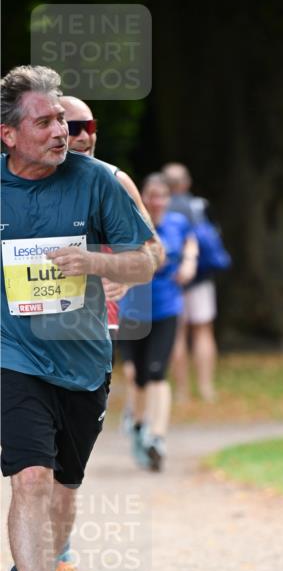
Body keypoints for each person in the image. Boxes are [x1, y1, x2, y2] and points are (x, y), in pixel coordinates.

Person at [1, 65, 154, 571]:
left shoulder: (99, 182)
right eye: (45, 121)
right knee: (30, 478)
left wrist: (93, 261)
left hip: (83, 360)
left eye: (63, 120)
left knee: (63, 488)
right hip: (12, 357)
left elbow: (147, 259)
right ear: (8, 134)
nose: (61, 131)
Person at [49, 95, 163, 571]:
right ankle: (53, 566)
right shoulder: (21, 183)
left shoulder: (112, 180)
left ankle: (54, 559)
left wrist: (110, 269)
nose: (83, 134)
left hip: (83, 335)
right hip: (21, 339)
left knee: (62, 462)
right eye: (71, 126)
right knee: (31, 463)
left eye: (89, 125)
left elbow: (152, 250)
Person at [118, 174, 198, 471]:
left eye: (162, 195)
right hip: (132, 309)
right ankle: (138, 425)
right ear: (143, 196)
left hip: (166, 308)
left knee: (156, 373)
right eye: (151, 195)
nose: (156, 201)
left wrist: (189, 262)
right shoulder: (130, 222)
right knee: (134, 375)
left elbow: (191, 242)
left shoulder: (177, 223)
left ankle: (157, 437)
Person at [162, 162, 223, 403]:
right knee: (203, 331)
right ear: (186, 183)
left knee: (177, 334)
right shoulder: (200, 205)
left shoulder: (158, 207)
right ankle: (207, 388)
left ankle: (181, 392)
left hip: (170, 280)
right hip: (201, 278)